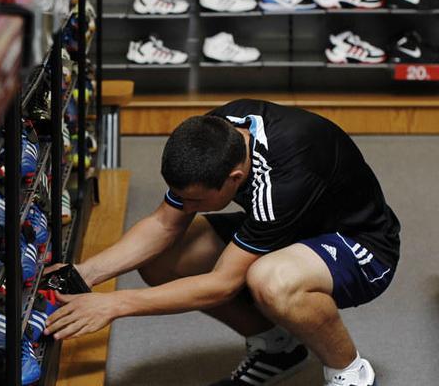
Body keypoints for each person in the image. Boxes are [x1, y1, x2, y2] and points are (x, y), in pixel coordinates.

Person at [44, 99, 400, 386]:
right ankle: (278, 350)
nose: (189, 207)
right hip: (287, 229)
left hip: (361, 246)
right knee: (162, 259)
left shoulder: (285, 178)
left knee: (271, 281)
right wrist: (88, 272)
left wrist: (115, 304)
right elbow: (163, 223)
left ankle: (349, 373)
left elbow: (221, 285)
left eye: (197, 200)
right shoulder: (219, 131)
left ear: (235, 178)